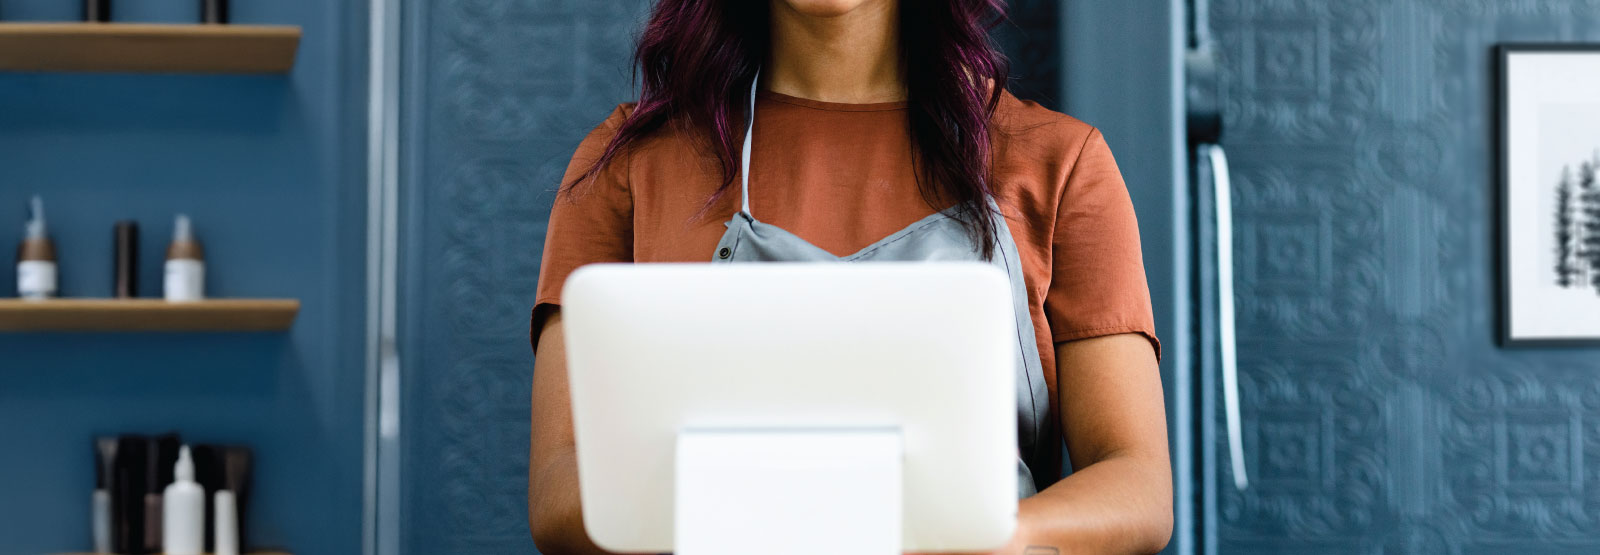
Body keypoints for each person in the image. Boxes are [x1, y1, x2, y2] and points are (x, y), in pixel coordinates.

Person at [528, 1, 1172, 553]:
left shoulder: (1062, 164)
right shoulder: (626, 167)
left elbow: (1138, 485)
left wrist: (992, 537)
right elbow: (559, 492)